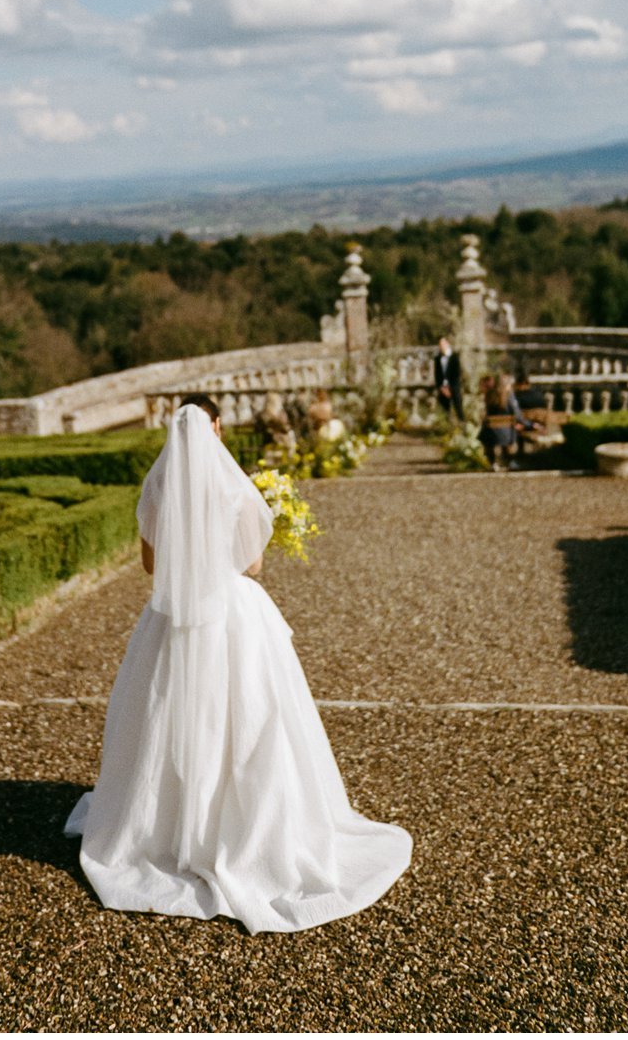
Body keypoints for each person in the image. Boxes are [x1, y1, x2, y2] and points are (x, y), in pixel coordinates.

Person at [64, 395, 413, 932]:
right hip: (235, 615)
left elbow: (151, 565)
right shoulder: (236, 487)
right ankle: (245, 831)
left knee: (168, 718)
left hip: (174, 618)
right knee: (252, 718)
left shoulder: (157, 488)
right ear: (218, 428)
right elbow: (252, 563)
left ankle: (169, 824)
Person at [480, 373, 528, 472]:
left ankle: (493, 462)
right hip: (508, 433)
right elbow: (516, 414)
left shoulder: (490, 394)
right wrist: (528, 424)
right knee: (515, 429)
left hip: (491, 432)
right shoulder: (509, 396)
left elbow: (487, 412)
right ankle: (511, 460)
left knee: (489, 428)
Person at [432, 337, 464, 422]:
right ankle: (446, 427)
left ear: (447, 344)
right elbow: (437, 375)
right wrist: (442, 388)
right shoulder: (437, 358)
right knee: (444, 411)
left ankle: (462, 426)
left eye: (443, 344)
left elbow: (457, 374)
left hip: (454, 387)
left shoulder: (454, 357)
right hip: (442, 388)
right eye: (440, 345)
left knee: (458, 409)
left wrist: (450, 388)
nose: (441, 346)